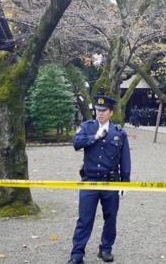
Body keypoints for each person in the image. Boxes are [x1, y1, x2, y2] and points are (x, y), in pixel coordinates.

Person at [67, 89, 131, 264]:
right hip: (89, 181)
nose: (100, 113)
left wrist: (125, 184)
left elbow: (125, 160)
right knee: (84, 219)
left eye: (103, 111)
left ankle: (105, 249)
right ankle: (77, 254)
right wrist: (94, 136)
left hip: (111, 182)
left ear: (110, 112)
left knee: (110, 218)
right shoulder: (88, 127)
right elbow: (76, 143)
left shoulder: (119, 132)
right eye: (97, 110)